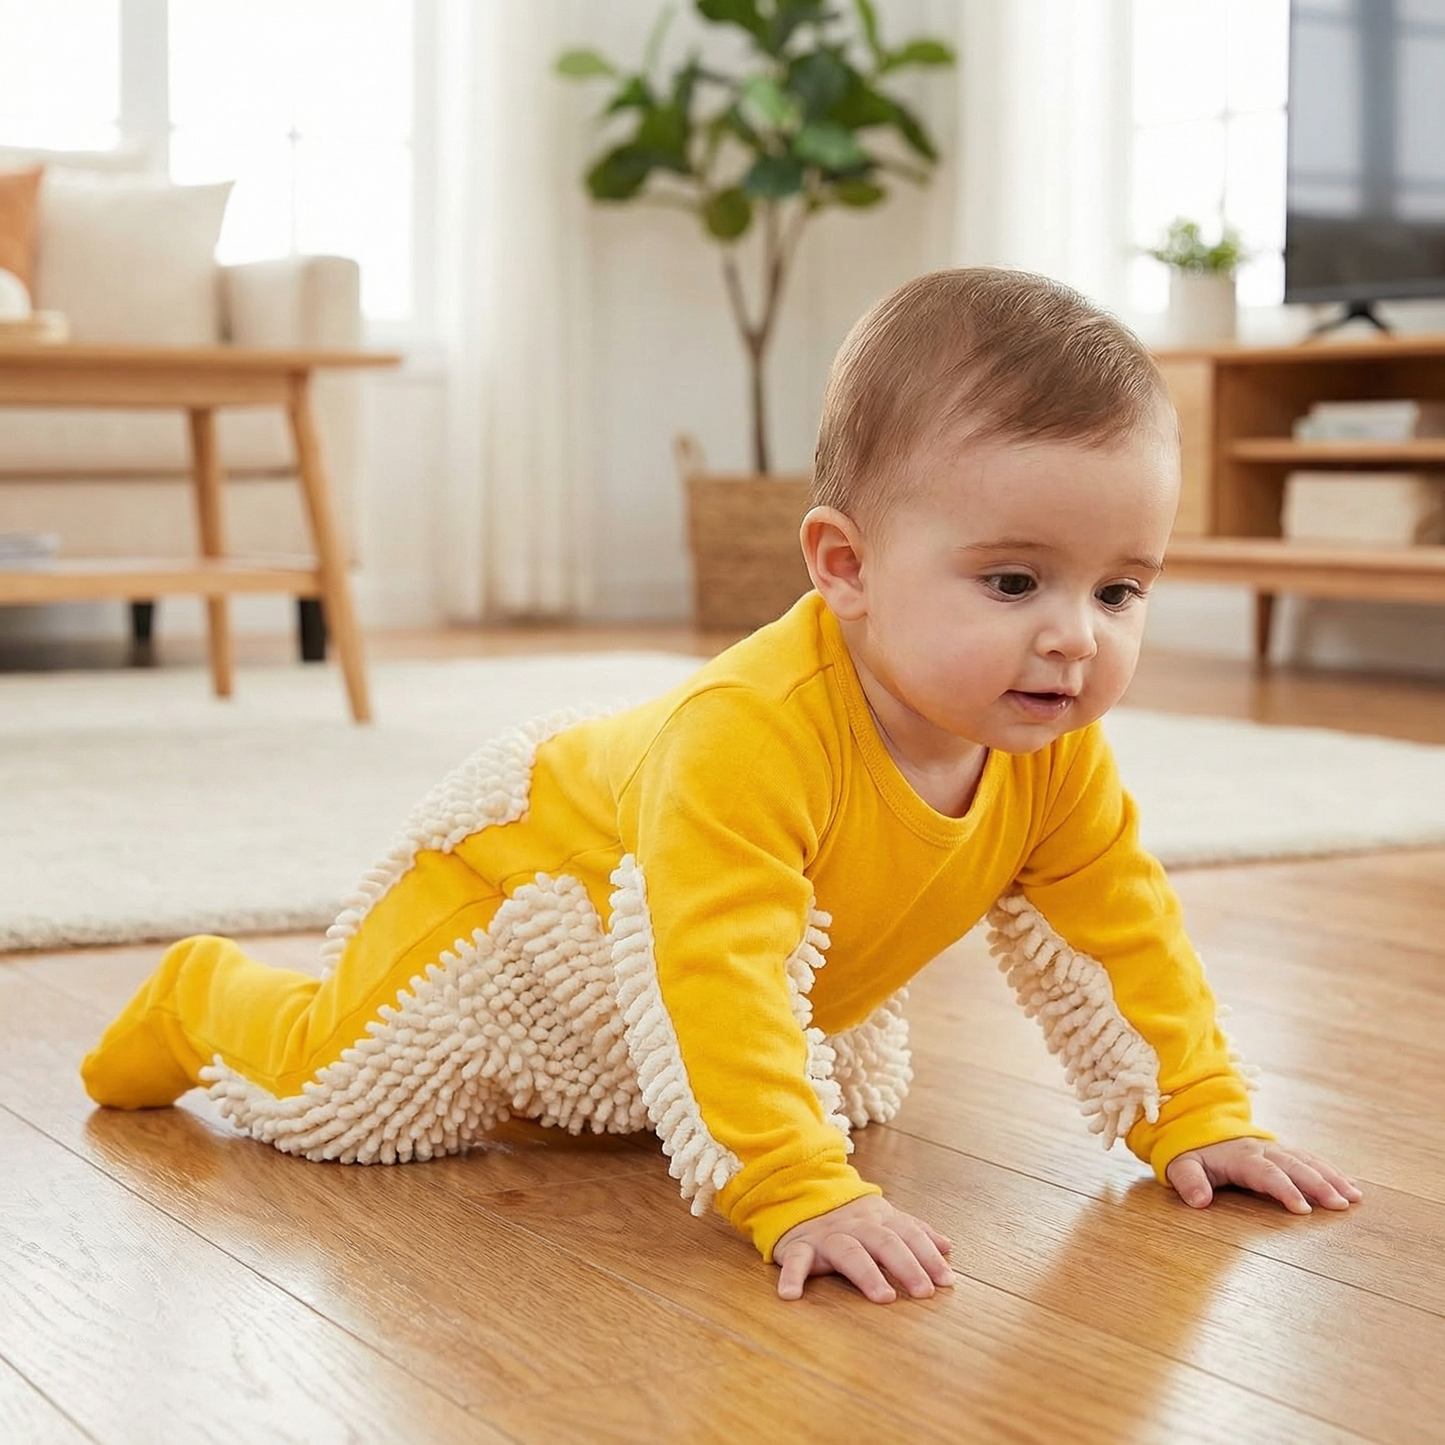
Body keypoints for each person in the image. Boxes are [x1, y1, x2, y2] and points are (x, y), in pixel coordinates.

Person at [81, 268, 1361, 1306]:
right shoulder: (751, 739)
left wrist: (1194, 1114)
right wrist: (796, 1185)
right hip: (510, 912)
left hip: (680, 923)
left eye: (1119, 587)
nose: (1076, 635)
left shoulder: (1051, 751)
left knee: (832, 1079)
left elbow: (1116, 940)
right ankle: (201, 990)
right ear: (843, 564)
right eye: (1014, 581)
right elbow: (715, 963)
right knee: (345, 1099)